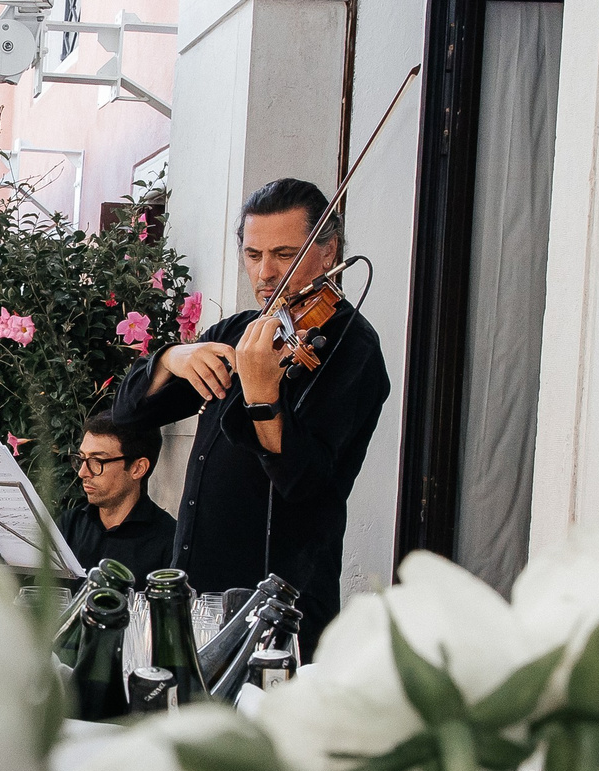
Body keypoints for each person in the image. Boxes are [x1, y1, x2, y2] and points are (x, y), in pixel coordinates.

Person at [111, 178, 389, 656]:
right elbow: (129, 413)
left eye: (284, 254)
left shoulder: (353, 349)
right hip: (198, 594)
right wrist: (172, 358)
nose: (265, 273)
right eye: (253, 254)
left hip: (281, 606)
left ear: (329, 253)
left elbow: (305, 482)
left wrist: (262, 396)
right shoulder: (242, 329)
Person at [58, 416, 177, 578]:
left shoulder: (170, 540)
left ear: (138, 468)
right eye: (82, 459)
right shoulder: (69, 526)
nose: (82, 472)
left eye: (96, 461)